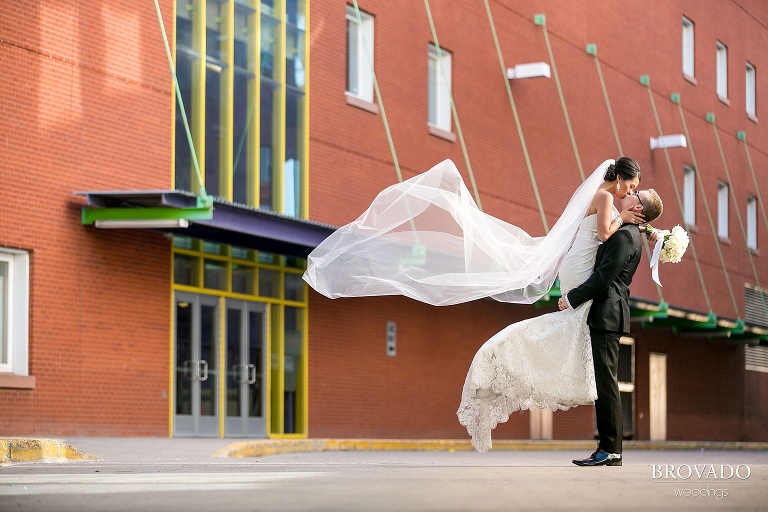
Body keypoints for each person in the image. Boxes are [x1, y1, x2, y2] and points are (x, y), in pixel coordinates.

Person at [455, 157, 662, 453]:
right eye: (631, 187)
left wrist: (646, 229)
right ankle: (565, 381)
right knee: (579, 342)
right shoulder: (607, 199)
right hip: (581, 272)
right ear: (620, 180)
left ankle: (566, 382)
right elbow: (606, 235)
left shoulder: (609, 204)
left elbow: (613, 236)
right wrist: (627, 221)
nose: (629, 193)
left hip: (578, 269)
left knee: (577, 341)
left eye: (634, 192)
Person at [558, 186, 663, 467]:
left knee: (607, 385)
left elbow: (604, 277)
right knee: (606, 383)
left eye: (636, 193)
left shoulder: (626, 237)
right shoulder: (629, 232)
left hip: (607, 314)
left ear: (638, 208)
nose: (630, 193)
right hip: (607, 314)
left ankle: (610, 450)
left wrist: (571, 298)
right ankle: (608, 449)